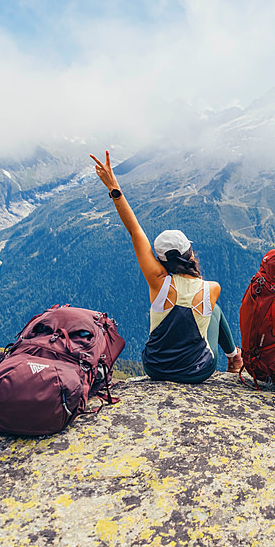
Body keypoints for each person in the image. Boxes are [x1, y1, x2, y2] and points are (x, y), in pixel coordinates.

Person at [91, 151, 234, 383]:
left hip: (155, 368)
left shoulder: (157, 282)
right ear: (190, 253)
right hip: (197, 372)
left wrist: (114, 187)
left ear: (160, 261)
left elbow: (135, 231)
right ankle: (234, 357)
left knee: (211, 309)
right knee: (214, 310)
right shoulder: (212, 288)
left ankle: (234, 356)